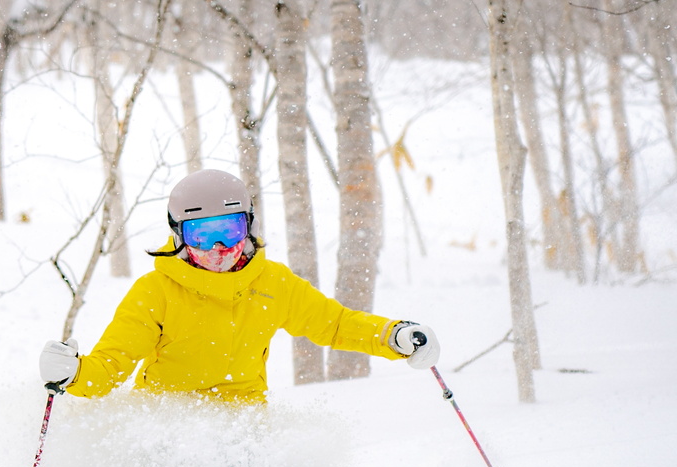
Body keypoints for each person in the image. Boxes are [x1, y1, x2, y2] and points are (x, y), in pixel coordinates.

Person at [39, 169, 439, 402]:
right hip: (164, 427)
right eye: (201, 234)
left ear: (248, 226)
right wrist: (73, 374)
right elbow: (110, 369)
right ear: (179, 235)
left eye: (229, 230)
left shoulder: (272, 283)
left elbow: (333, 325)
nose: (218, 249)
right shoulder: (155, 292)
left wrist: (392, 337)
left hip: (243, 433)